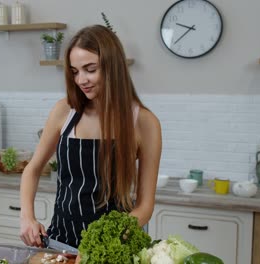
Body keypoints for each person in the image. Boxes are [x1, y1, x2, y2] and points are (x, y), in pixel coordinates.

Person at [19, 25, 162, 249]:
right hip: (60, 242)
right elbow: (33, 169)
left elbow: (145, 206)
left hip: (113, 248)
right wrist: (27, 217)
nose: (81, 80)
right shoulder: (64, 111)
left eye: (90, 69)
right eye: (75, 71)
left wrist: (107, 241)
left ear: (112, 67)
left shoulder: (144, 122)